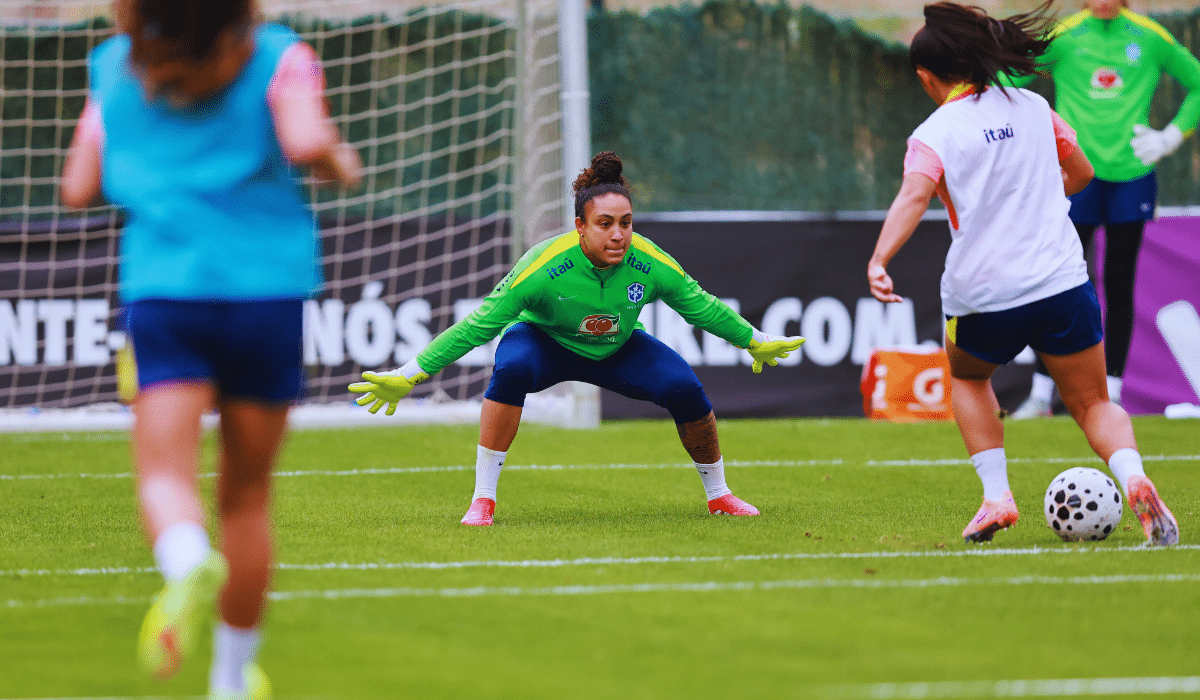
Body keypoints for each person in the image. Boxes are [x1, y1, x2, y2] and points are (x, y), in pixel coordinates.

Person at [60, 1, 362, 698]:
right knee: (247, 498)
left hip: (167, 293)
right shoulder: (279, 53)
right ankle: (231, 679)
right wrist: (343, 164)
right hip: (268, 293)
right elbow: (307, 142)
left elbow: (78, 186)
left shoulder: (113, 65)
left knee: (165, 476)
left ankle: (188, 559)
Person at [350, 151, 803, 526]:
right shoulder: (544, 267)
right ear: (580, 226)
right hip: (544, 342)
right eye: (605, 223)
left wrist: (753, 340)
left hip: (618, 348)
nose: (619, 234)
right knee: (512, 368)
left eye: (626, 222)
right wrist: (411, 374)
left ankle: (719, 494)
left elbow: (698, 303)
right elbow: (478, 325)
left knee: (684, 387)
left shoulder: (648, 260)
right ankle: (483, 499)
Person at [867, 1, 1178, 546]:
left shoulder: (935, 131)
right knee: (1094, 403)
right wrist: (1035, 202)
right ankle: (1133, 478)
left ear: (926, 76)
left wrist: (879, 259)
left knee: (967, 378)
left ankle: (996, 497)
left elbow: (914, 194)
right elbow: (1081, 171)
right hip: (1061, 282)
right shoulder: (1033, 105)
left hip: (984, 295)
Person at [1007, 0, 1200, 418]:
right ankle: (1043, 394)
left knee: (1119, 281)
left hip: (1131, 174)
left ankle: (1110, 394)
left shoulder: (1150, 37)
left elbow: (1198, 82)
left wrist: (1172, 136)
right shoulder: (1063, 36)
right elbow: (1007, 79)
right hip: (1074, 176)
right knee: (1057, 281)